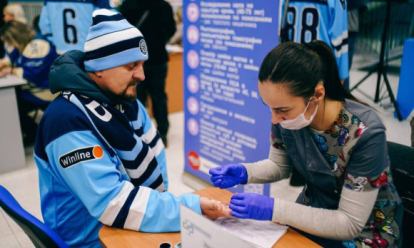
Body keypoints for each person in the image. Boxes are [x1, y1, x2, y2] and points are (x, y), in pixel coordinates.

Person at [34, 9, 226, 247]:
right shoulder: (66, 121)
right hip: (91, 239)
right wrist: (187, 208)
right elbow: (111, 202)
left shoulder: (127, 101)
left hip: (128, 224)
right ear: (99, 68)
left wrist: (167, 209)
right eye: (131, 66)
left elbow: (157, 157)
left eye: (142, 64)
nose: (142, 75)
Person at [209, 41, 402, 247]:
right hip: (315, 209)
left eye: (282, 110)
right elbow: (279, 166)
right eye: (270, 108)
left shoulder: (366, 134)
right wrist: (245, 172)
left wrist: (274, 208)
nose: (274, 119)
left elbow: (349, 223)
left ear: (317, 94)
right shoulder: (289, 117)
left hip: (365, 229)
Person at [120, 0, 176, 146]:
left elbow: (121, 33)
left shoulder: (128, 6)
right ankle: (162, 133)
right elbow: (171, 30)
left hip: (135, 61)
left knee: (136, 98)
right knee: (159, 97)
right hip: (158, 58)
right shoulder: (164, 6)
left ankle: (139, 133)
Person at [0, 20, 58, 145]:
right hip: (34, 89)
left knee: (12, 106)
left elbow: (32, 75)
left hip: (46, 91)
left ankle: (33, 132)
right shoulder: (23, 44)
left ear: (15, 38)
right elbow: (8, 60)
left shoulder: (37, 45)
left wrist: (11, 70)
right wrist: (5, 65)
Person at [281, 0, 349, 83]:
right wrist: (341, 74)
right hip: (320, 64)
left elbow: (282, 28)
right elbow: (339, 37)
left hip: (292, 61)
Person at [38, 0, 111, 54]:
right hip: (89, 53)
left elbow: (44, 26)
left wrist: (57, 44)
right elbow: (108, 22)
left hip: (61, 54)